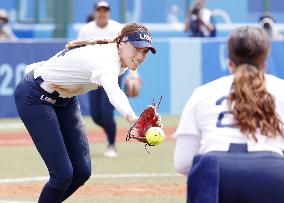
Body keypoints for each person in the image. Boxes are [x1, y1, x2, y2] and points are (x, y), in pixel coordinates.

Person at [14, 22, 156, 203]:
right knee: (63, 174)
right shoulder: (106, 59)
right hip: (35, 97)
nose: (141, 55)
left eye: (145, 51)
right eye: (137, 48)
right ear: (122, 43)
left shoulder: (121, 56)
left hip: (65, 99)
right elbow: (113, 92)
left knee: (81, 172)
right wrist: (133, 118)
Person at [174, 26, 284, 203]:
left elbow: (183, 162)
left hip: (214, 172)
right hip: (271, 172)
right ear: (264, 62)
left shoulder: (202, 93)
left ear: (229, 61)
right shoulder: (281, 89)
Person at [77, 1, 124, 157]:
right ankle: (111, 131)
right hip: (94, 76)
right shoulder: (86, 30)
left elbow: (127, 51)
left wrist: (134, 74)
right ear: (94, 12)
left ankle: (112, 145)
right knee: (96, 115)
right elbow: (79, 51)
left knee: (106, 111)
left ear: (109, 12)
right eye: (99, 10)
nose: (102, 13)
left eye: (105, 10)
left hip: (112, 74)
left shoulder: (117, 28)